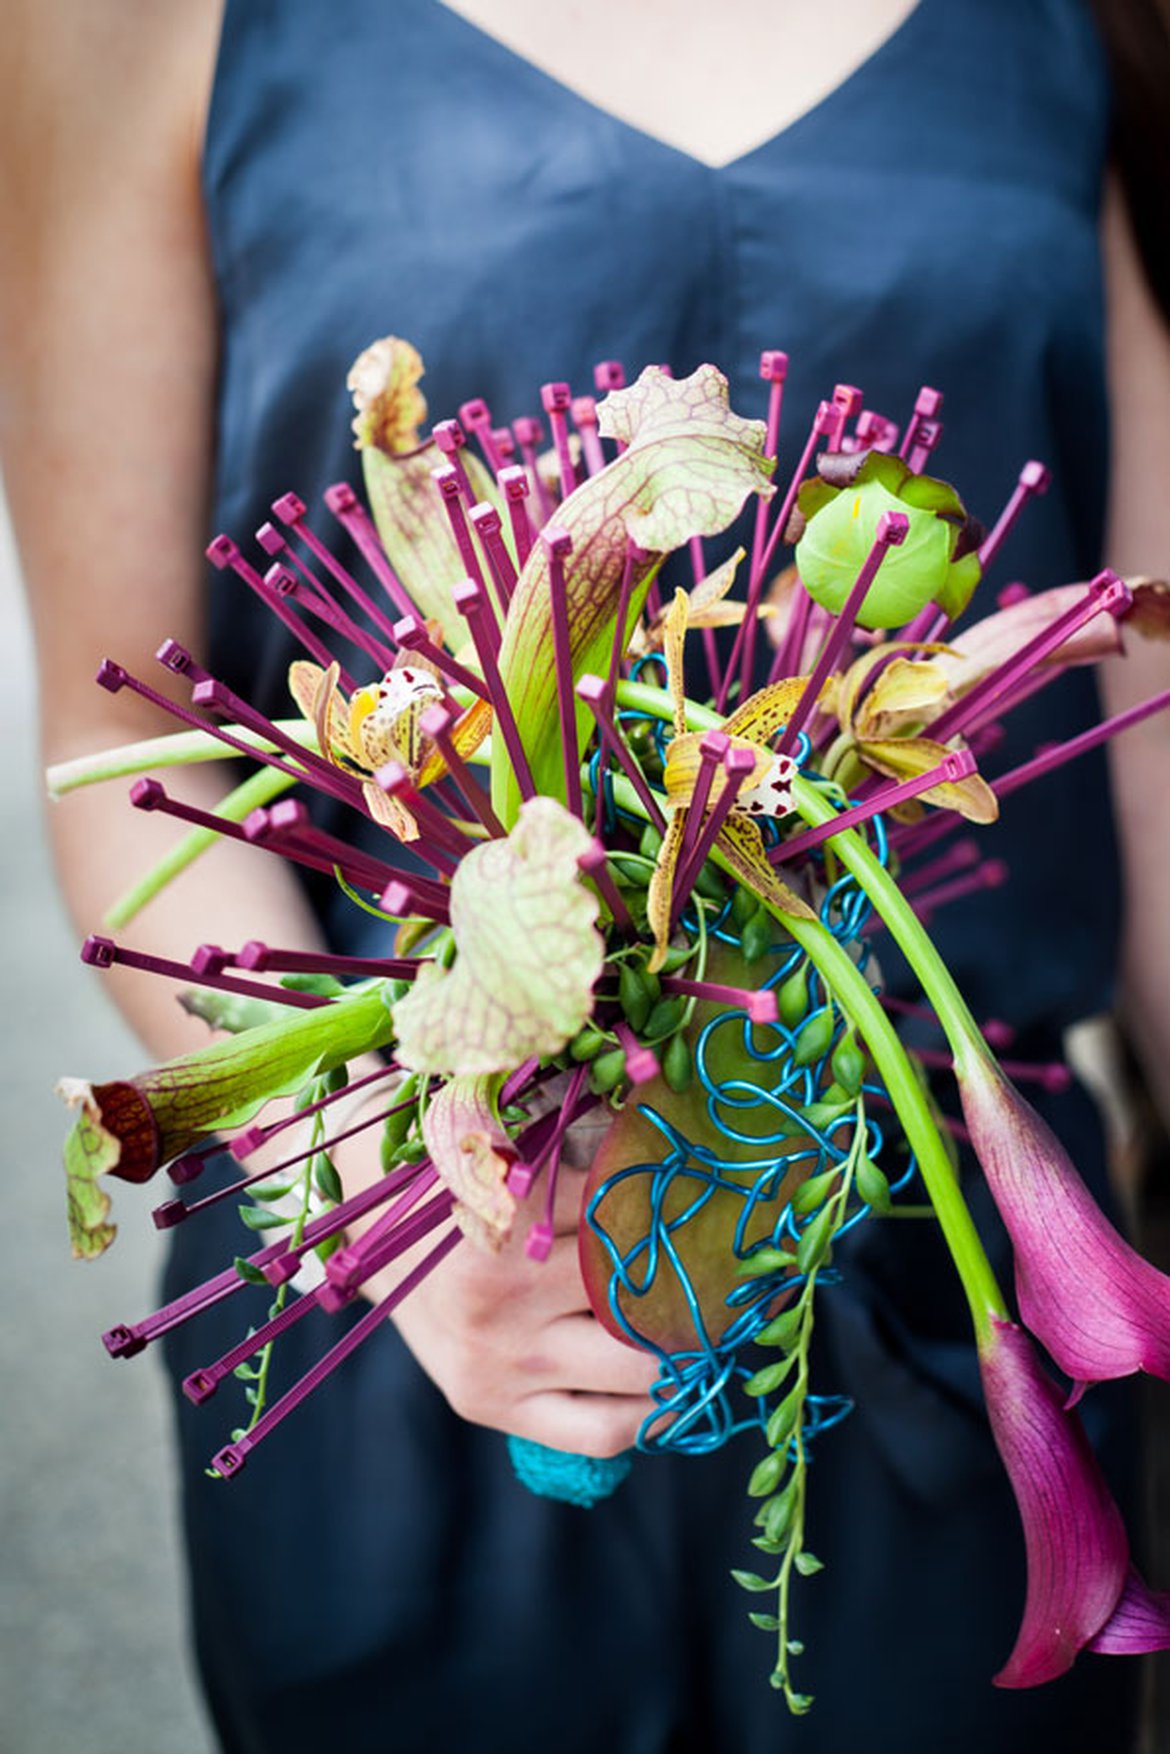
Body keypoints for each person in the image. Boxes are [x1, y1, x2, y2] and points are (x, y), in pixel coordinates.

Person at [3, 1, 1169, 1748]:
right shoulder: (115, 24)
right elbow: (140, 745)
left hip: (952, 1277)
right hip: (399, 1303)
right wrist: (379, 1209)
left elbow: (1140, 714)